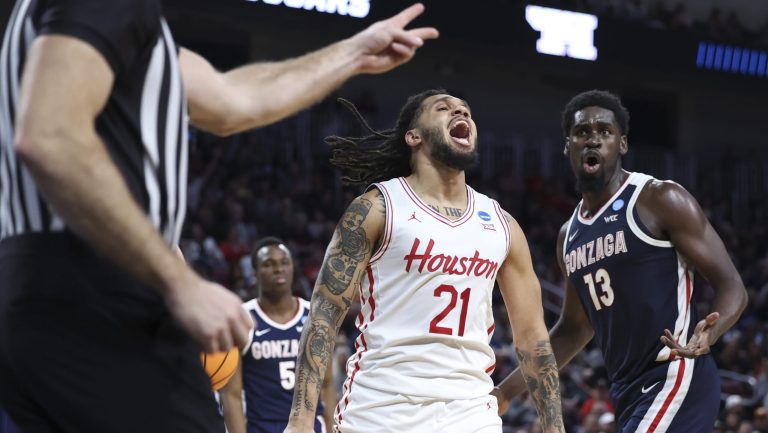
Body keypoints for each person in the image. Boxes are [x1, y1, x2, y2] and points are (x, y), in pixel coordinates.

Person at [0, 1, 437, 432]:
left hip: (43, 290)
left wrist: (353, 52)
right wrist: (179, 281)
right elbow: (51, 136)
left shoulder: (111, 27)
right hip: (95, 289)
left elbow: (232, 100)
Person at [283, 90, 566, 433]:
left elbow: (533, 339)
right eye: (443, 108)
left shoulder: (502, 224)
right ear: (413, 136)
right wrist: (300, 420)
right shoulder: (378, 208)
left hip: (470, 416)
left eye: (465, 109)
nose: (460, 112)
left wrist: (555, 428)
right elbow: (324, 316)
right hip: (381, 413)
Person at [494, 90, 748, 432]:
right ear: (568, 147)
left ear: (622, 144)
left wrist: (712, 332)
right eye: (582, 132)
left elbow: (731, 284)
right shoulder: (569, 235)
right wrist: (504, 393)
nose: (593, 139)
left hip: (674, 376)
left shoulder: (659, 199)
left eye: (605, 131)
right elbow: (574, 329)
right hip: (626, 391)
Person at [221, 237, 336, 433]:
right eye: (269, 264)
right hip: (262, 427)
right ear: (255, 273)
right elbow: (231, 395)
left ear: (292, 267)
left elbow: (327, 384)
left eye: (284, 262)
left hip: (309, 427)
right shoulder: (241, 319)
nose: (278, 269)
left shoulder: (315, 317)